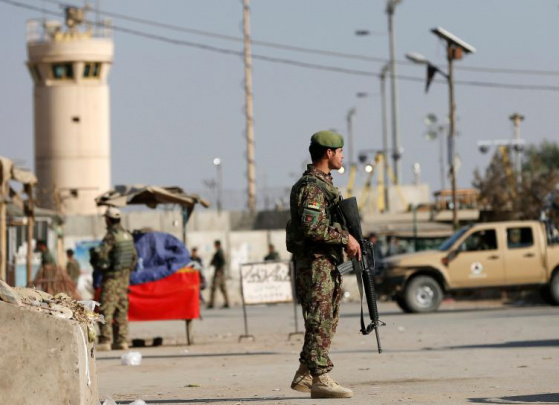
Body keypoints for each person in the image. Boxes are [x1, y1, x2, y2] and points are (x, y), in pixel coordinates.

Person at [286, 130, 360, 399]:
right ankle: (320, 378)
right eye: (339, 151)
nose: (343, 156)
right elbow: (312, 228)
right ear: (328, 153)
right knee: (320, 319)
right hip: (315, 264)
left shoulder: (323, 186)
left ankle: (306, 372)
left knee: (325, 318)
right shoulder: (312, 188)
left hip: (325, 262)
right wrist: (345, 238)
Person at [96, 207, 137, 351]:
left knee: (106, 309)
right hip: (124, 279)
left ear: (108, 220)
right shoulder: (127, 235)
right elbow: (134, 258)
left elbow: (102, 256)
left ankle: (105, 340)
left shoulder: (111, 236)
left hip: (112, 278)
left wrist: (100, 264)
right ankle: (121, 340)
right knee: (121, 309)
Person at [207, 240, 230, 309]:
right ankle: (226, 302)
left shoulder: (219, 252)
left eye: (215, 245)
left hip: (218, 272)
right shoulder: (220, 252)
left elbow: (222, 262)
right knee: (222, 287)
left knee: (214, 288)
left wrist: (218, 271)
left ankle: (211, 303)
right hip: (220, 272)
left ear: (217, 245)